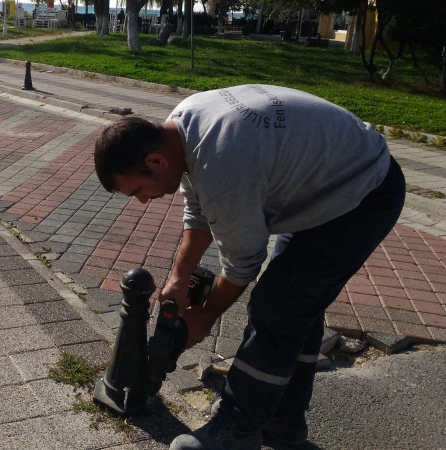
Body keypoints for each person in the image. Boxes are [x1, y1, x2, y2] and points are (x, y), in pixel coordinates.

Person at [93, 84, 405, 450]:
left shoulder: (222, 159)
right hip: (322, 185)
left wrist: (207, 315)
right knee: (297, 308)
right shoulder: (183, 123)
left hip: (362, 195)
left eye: (138, 190)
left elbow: (243, 263)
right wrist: (178, 279)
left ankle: (236, 431)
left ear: (156, 162)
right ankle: (282, 425)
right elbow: (198, 209)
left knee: (276, 307)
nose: (143, 200)